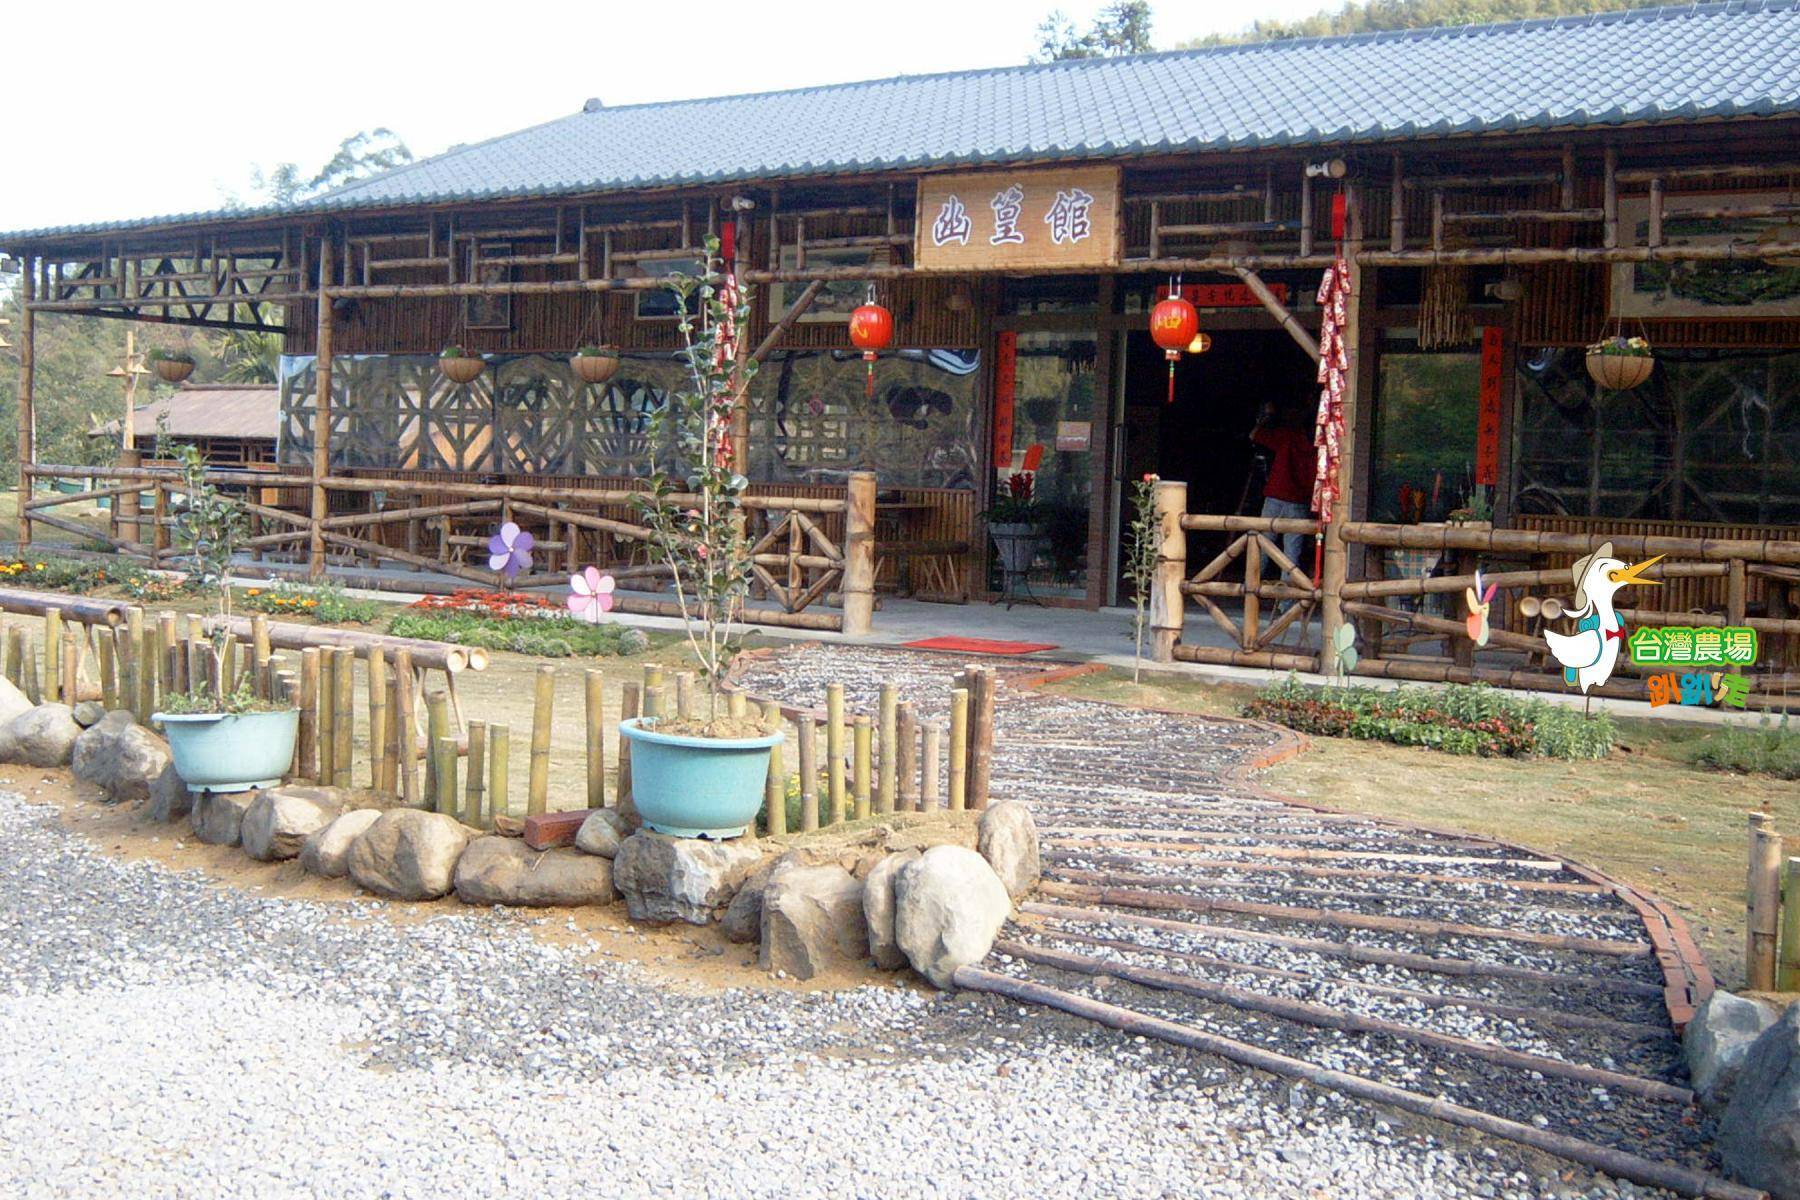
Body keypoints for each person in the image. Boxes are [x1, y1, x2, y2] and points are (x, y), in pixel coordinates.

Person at [1249, 401, 1316, 573]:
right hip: (1300, 502)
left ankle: (1251, 590)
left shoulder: (1287, 436)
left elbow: (1254, 435)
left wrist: (1265, 419)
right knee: (1291, 555)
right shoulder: (1319, 449)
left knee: (1263, 545)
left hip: (1275, 497)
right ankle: (1287, 600)